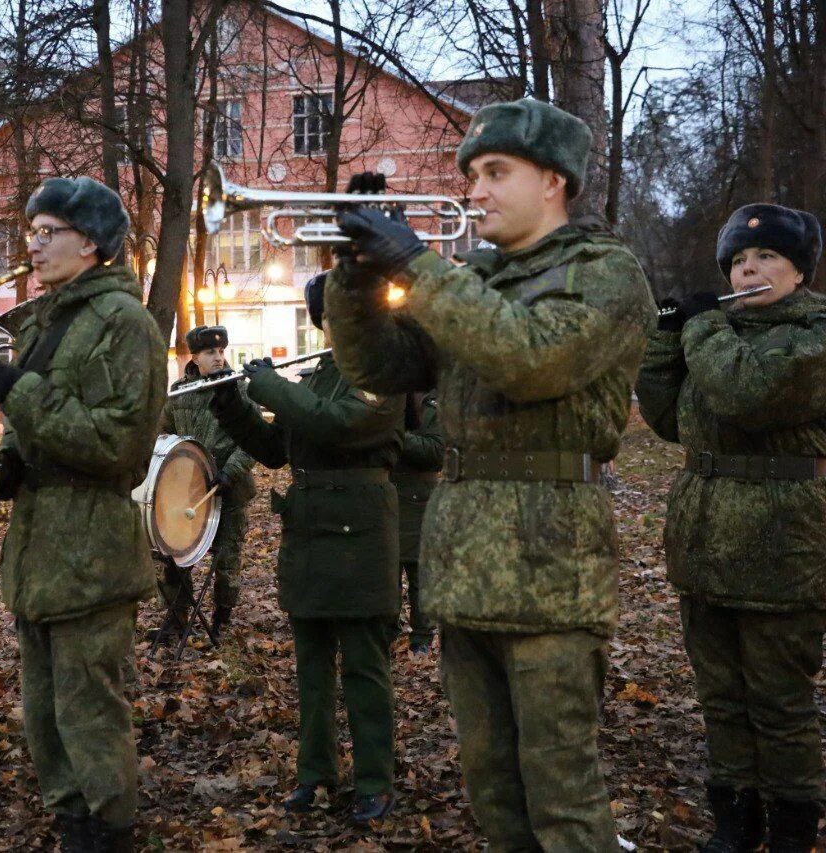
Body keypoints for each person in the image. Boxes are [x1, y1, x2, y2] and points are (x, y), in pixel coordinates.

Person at [324, 98, 656, 849]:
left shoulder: (605, 273)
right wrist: (354, 281)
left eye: (495, 172)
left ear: (555, 181)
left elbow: (530, 357)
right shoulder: (474, 275)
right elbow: (383, 367)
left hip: (552, 569)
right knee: (494, 796)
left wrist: (416, 262)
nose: (475, 191)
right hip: (466, 564)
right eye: (471, 174)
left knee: (563, 801)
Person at [0, 177, 166, 852]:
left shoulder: (125, 324)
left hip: (92, 556)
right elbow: (52, 425)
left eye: (49, 231)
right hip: (42, 553)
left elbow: (120, 447)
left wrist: (19, 392)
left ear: (94, 243)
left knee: (90, 716)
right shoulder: (51, 319)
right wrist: (9, 462)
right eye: (32, 230)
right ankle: (73, 823)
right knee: (46, 720)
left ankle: (109, 832)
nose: (33, 244)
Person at [636, 204, 825, 852]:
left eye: (766, 257)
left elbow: (747, 391)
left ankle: (794, 825)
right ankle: (734, 820)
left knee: (780, 703)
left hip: (783, 552)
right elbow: (668, 419)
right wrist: (665, 336)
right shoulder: (716, 334)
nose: (748, 268)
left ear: (800, 271)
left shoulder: (812, 335)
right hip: (708, 548)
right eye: (739, 260)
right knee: (721, 697)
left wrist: (704, 326)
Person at [210, 273, 403, 825]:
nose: (332, 326)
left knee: (365, 667)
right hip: (310, 531)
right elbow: (279, 448)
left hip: (361, 534)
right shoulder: (320, 372)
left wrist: (270, 387)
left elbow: (338, 424)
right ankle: (314, 775)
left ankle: (374, 780)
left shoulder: (382, 371)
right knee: (312, 668)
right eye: (327, 317)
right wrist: (231, 402)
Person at [157, 324, 256, 639]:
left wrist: (230, 471)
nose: (218, 357)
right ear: (195, 357)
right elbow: (164, 436)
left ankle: (221, 619)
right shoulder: (179, 392)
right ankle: (177, 619)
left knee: (228, 557)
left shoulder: (236, 388)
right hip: (188, 490)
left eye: (221, 351)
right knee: (174, 553)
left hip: (231, 489)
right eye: (210, 352)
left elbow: (254, 440)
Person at [392, 390, 442, 654]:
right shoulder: (380, 395)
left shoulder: (430, 405)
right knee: (385, 574)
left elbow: (436, 453)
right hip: (383, 500)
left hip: (417, 502)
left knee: (419, 574)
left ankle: (422, 636)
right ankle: (388, 630)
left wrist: (394, 434)